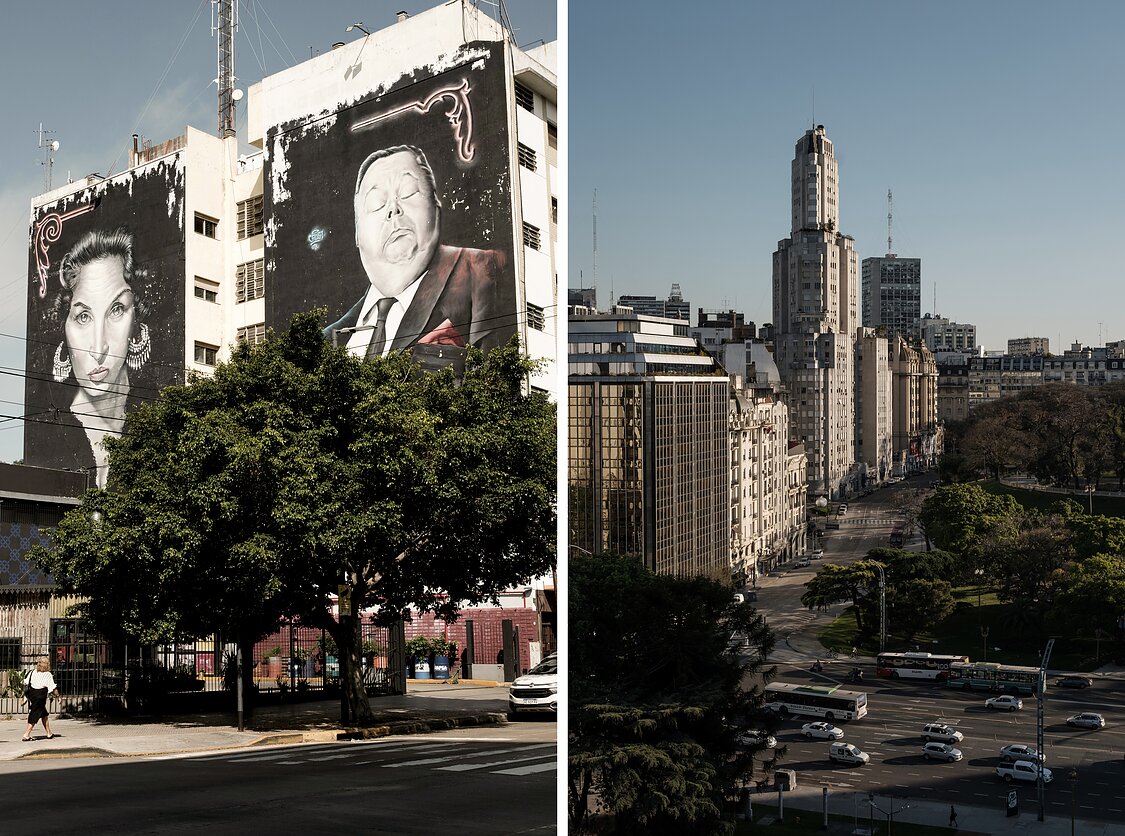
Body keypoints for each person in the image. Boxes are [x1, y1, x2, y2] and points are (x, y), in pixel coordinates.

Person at [324, 145, 513, 361]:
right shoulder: (329, 340)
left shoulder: (480, 271)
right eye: (376, 203)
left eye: (408, 192)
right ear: (357, 234)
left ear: (436, 205)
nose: (393, 209)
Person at [49, 228, 150, 487]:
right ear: (65, 326)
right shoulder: (54, 427)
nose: (98, 348)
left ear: (136, 321)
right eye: (83, 317)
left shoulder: (155, 422)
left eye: (117, 310)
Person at [22, 656, 61, 741]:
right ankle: (26, 734)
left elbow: (25, 682)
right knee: (35, 714)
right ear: (47, 665)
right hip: (41, 696)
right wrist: (58, 697)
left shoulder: (32, 672)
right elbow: (53, 688)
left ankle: (49, 733)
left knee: (44, 714)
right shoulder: (48, 675)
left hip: (32, 695)